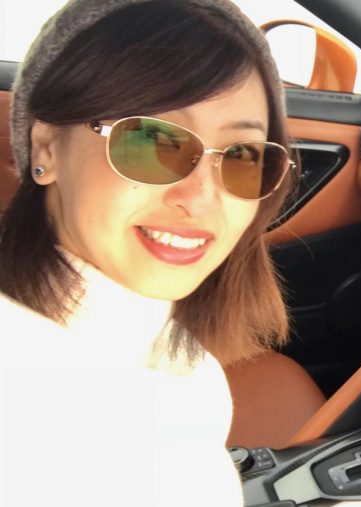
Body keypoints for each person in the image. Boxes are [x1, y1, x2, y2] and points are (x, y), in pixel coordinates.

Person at [0, 0, 296, 504]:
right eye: (151, 141)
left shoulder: (164, 347)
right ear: (47, 147)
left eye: (241, 155)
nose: (201, 197)